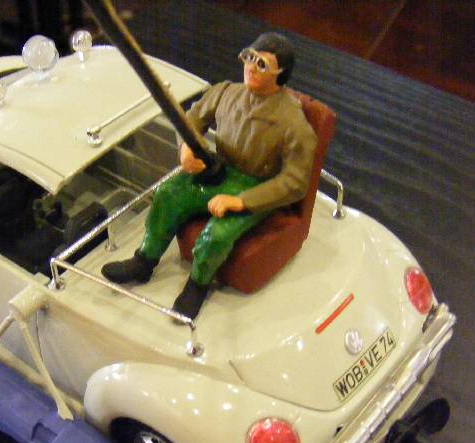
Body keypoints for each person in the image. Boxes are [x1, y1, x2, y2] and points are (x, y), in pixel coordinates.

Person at [101, 32, 317, 320]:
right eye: (249, 58)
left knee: (217, 234)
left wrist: (242, 202)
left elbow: (295, 182)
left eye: (262, 64)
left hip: (255, 187)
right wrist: (186, 149)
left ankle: (198, 284)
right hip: (218, 171)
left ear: (281, 75)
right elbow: (191, 119)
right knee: (168, 194)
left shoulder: (294, 124)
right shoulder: (226, 92)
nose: (251, 67)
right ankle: (144, 260)